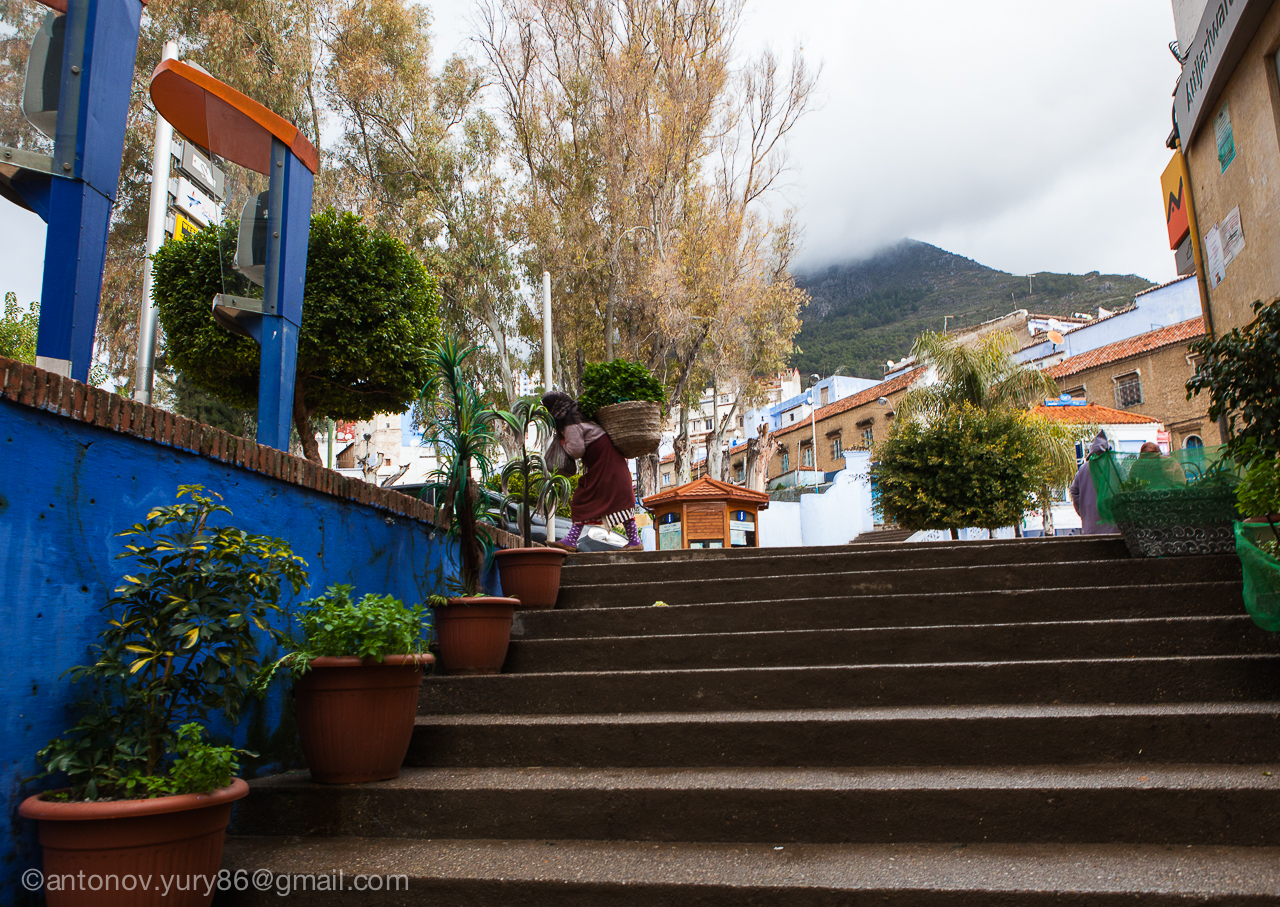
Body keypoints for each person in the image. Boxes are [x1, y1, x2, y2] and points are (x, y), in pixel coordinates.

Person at [542, 391, 642, 551]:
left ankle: (571, 541)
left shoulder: (570, 421)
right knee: (619, 500)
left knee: (584, 499)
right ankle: (634, 541)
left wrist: (563, 445)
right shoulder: (578, 415)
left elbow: (576, 450)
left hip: (605, 463)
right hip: (607, 462)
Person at [1070, 431, 1118, 535]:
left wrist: (1083, 511)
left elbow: (1073, 491)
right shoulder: (1115, 466)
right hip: (1113, 526)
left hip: (1090, 526)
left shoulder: (1083, 469)